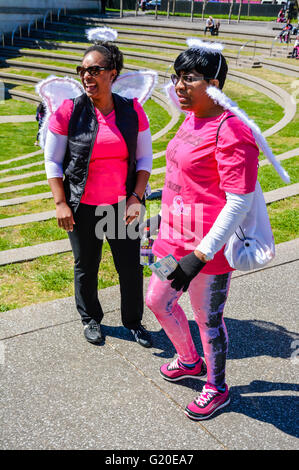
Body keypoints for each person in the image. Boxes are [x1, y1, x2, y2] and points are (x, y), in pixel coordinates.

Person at [145, 44, 259, 420]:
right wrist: (157, 195)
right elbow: (187, 173)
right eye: (177, 76)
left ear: (214, 84)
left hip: (204, 252)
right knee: (158, 302)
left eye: (189, 78)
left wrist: (201, 254)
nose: (179, 85)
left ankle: (217, 387)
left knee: (208, 321)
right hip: (169, 240)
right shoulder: (191, 117)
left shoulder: (232, 130)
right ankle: (188, 360)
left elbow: (238, 200)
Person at [44, 42, 153, 348]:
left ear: (112, 74)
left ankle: (133, 321)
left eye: (94, 70)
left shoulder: (131, 111)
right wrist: (61, 202)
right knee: (86, 266)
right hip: (82, 205)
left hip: (122, 206)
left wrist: (136, 196)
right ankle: (91, 318)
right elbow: (52, 160)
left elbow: (145, 160)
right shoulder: (69, 111)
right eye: (83, 70)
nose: (87, 76)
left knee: (130, 266)